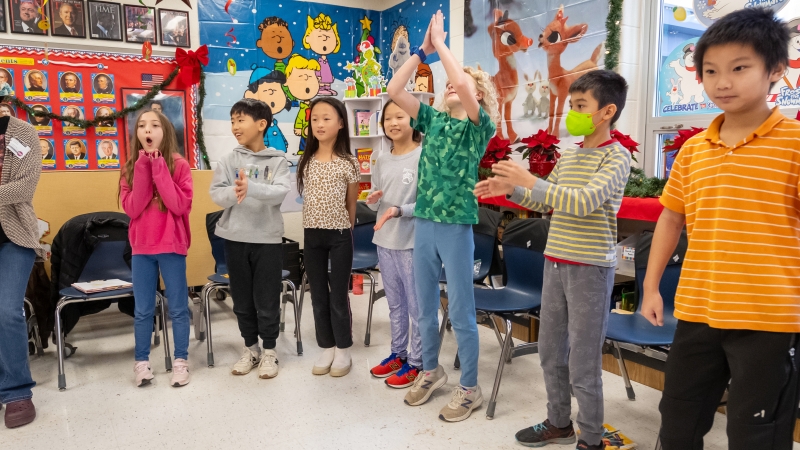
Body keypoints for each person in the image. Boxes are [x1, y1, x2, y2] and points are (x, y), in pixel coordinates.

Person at [640, 8, 800, 449]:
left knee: (756, 434)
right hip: (697, 311)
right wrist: (652, 286)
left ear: (775, 71)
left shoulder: (794, 144)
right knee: (677, 422)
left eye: (739, 68)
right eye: (710, 71)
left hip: (767, 319)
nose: (722, 82)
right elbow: (672, 217)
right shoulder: (694, 149)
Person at [476, 70, 630, 449]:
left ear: (607, 111)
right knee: (549, 351)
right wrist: (511, 190)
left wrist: (529, 180)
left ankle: (591, 439)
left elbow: (583, 202)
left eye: (581, 106)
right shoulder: (572, 154)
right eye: (573, 105)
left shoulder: (617, 157)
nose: (572, 113)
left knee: (583, 361)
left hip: (590, 268)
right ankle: (559, 422)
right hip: (556, 261)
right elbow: (547, 201)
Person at [387, 10, 498, 422]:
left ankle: (469, 387)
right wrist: (423, 51)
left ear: (477, 95)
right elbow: (395, 87)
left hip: (455, 229)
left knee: (462, 313)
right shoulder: (431, 121)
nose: (452, 84)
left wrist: (444, 45)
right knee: (424, 307)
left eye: (461, 83)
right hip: (425, 225)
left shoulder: (477, 127)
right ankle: (431, 370)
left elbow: (465, 87)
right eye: (447, 81)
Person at [209, 98, 291, 379]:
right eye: (232, 121)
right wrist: (236, 192)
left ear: (262, 124)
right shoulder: (229, 160)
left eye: (240, 120)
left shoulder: (278, 160)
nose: (235, 126)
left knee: (267, 300)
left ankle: (270, 352)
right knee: (242, 300)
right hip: (235, 238)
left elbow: (279, 193)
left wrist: (251, 187)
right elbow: (217, 194)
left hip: (267, 240)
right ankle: (250, 349)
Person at [119, 109, 193, 388]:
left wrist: (159, 166)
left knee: (178, 308)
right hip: (141, 248)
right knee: (143, 309)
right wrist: (142, 167)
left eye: (154, 125)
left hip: (172, 245)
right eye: (141, 126)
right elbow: (134, 207)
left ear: (165, 132)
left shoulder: (179, 165)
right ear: (137, 134)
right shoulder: (129, 167)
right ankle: (141, 363)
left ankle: (181, 362)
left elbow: (178, 205)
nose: (147, 130)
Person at [296, 97, 359, 378]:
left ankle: (344, 349)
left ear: (341, 124)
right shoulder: (307, 160)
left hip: (340, 236)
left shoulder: (348, 162)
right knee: (318, 294)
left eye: (327, 118)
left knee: (338, 297)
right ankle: (327, 346)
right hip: (312, 236)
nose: (319, 124)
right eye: (315, 119)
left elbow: (352, 204)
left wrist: (346, 230)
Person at [365, 99, 423, 388]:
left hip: (412, 242)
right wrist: (372, 198)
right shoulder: (382, 157)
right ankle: (399, 354)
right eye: (387, 118)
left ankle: (418, 361)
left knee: (417, 306)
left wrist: (401, 210)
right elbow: (378, 193)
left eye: (400, 116)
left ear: (414, 119)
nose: (393, 123)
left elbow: (428, 202)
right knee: (395, 305)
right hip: (384, 239)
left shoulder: (424, 155)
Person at [0, 101, 43, 429]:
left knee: (6, 310)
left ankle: (16, 391)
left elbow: (25, 187)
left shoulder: (22, 133)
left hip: (13, 236)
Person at [244, 65, 290, 152]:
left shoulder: (274, 123)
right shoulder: (260, 125)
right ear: (251, 95)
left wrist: (285, 142)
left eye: (277, 90)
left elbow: (280, 135)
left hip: (280, 156)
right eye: (270, 92)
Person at [285, 54, 320, 154]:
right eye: (300, 77)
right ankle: (302, 149)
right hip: (305, 128)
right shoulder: (302, 108)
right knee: (304, 139)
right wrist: (298, 128)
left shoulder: (316, 107)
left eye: (310, 77)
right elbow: (300, 118)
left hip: (313, 130)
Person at [303, 13, 339, 96]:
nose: (324, 38)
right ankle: (321, 88)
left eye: (328, 37)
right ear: (308, 39)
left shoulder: (326, 60)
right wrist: (318, 76)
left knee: (327, 77)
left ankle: (327, 88)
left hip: (327, 77)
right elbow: (318, 69)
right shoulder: (319, 61)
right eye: (320, 37)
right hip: (321, 77)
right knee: (322, 79)